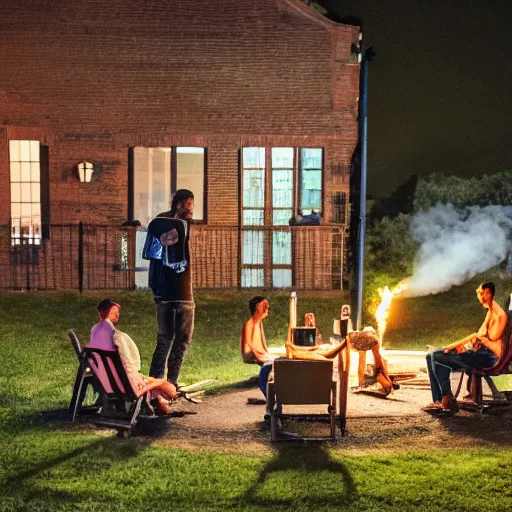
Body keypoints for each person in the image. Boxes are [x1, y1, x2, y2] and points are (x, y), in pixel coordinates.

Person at [423, 282, 509, 415]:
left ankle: (447, 400)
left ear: (488, 293)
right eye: (479, 293)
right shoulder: (490, 312)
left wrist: (480, 340)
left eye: (481, 293)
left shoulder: (500, 316)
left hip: (488, 358)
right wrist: (462, 346)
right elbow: (478, 336)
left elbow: (495, 349)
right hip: (478, 353)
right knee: (430, 355)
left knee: (437, 355)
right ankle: (439, 400)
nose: (480, 296)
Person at [87, 299, 179, 415]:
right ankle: (158, 401)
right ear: (107, 312)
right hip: (126, 385)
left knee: (156, 383)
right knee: (168, 388)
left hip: (108, 382)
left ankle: (159, 400)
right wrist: (139, 378)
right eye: (115, 312)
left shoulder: (95, 331)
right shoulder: (116, 336)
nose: (117, 315)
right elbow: (127, 363)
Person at [142, 189, 195, 389]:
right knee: (173, 339)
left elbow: (150, 252)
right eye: (187, 204)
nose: (190, 208)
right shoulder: (170, 224)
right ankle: (162, 381)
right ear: (178, 203)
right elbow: (153, 251)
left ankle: (165, 382)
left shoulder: (163, 222)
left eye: (192, 204)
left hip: (173, 292)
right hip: (175, 293)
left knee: (173, 339)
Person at [240, 296, 277, 398]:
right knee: (277, 360)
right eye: (264, 306)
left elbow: (262, 342)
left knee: (278, 357)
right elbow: (249, 345)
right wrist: (261, 357)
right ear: (257, 308)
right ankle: (267, 389)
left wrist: (266, 352)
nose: (267, 308)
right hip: (251, 354)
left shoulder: (259, 323)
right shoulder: (249, 324)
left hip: (260, 353)